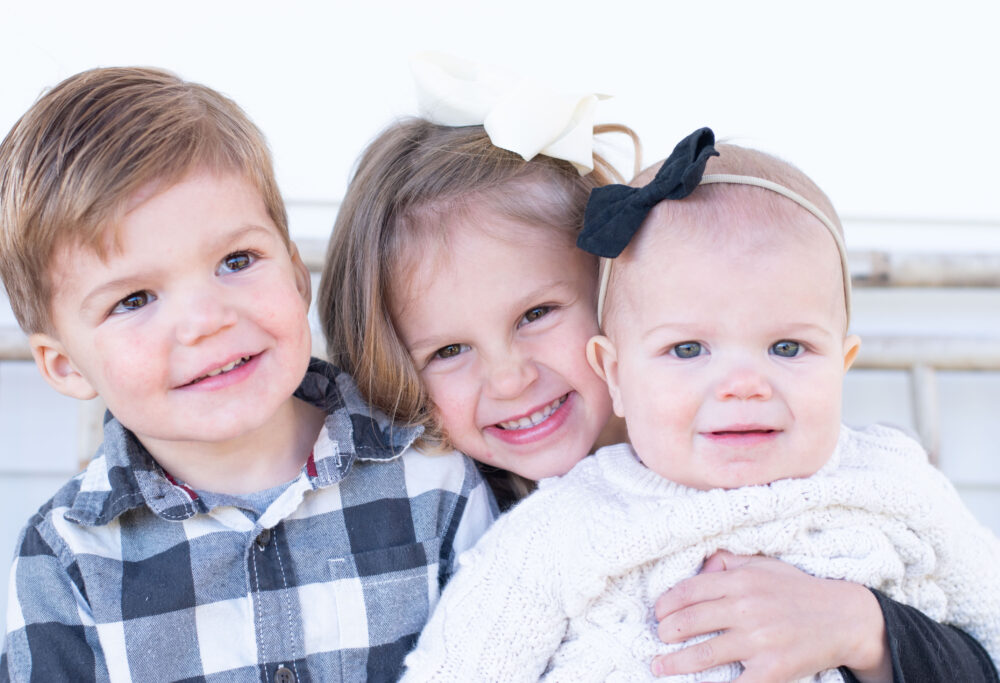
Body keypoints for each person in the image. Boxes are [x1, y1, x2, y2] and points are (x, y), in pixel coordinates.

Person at [397, 128, 1000, 681]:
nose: (743, 385)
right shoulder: (562, 529)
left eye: (787, 347)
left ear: (842, 364)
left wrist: (868, 631)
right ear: (616, 374)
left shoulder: (894, 485)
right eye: (688, 349)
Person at [0, 66, 496, 682]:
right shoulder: (66, 557)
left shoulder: (430, 476)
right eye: (136, 299)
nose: (205, 320)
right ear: (65, 365)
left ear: (299, 276)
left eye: (236, 261)